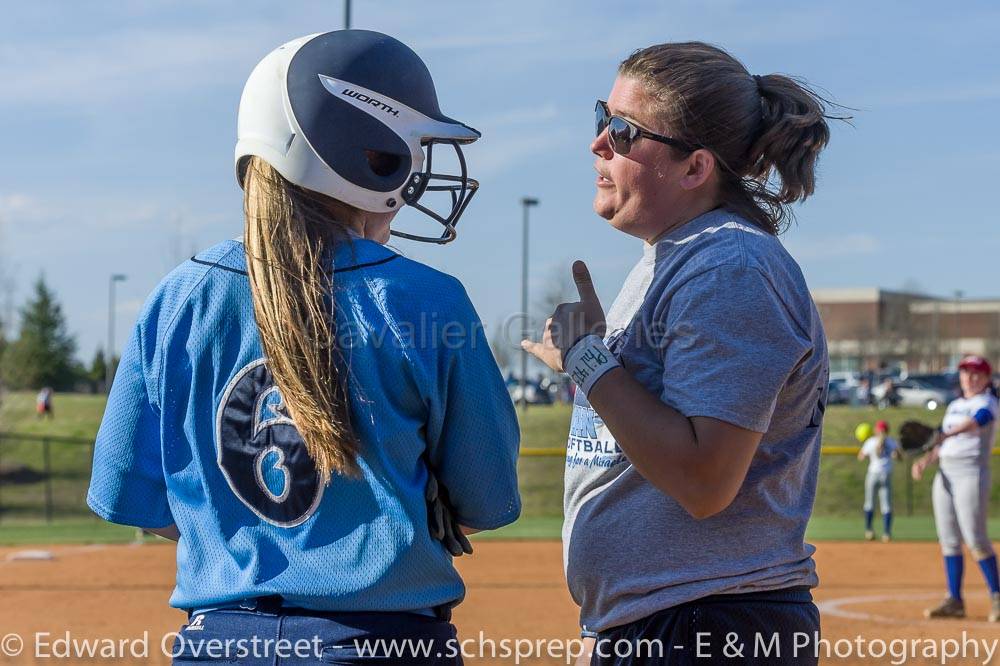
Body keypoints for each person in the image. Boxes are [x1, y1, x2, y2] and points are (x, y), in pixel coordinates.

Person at [86, 30, 520, 664]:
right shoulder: (425, 300)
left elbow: (134, 497)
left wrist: (250, 544)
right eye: (413, 146)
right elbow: (487, 499)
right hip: (384, 643)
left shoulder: (177, 297)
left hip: (220, 643)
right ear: (366, 149)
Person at [522, 41, 836, 664]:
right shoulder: (676, 257)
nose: (598, 144)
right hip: (671, 620)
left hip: (708, 624)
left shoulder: (729, 265)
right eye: (600, 117)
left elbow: (703, 479)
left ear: (695, 168)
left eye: (622, 130)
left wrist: (589, 357)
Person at [912, 355, 999, 622]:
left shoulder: (988, 402)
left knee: (975, 537)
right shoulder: (955, 405)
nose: (970, 378)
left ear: (986, 379)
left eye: (976, 374)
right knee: (948, 539)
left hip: (970, 472)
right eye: (965, 373)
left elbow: (977, 422)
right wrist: (926, 460)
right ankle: (954, 601)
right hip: (945, 474)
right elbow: (942, 442)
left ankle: (997, 597)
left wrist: (945, 434)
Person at [857, 420, 901, 542]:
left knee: (869, 503)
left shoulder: (870, 441)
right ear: (887, 430)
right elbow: (899, 457)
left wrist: (864, 445)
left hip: (873, 474)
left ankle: (869, 531)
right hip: (886, 475)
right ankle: (886, 533)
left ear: (876, 430)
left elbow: (860, 457)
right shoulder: (892, 442)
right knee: (886, 505)